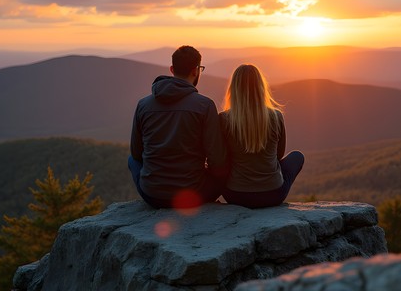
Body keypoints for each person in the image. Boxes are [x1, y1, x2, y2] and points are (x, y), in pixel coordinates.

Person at [128, 45, 229, 209]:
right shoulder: (205, 105)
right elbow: (217, 160)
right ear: (196, 71)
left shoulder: (143, 105)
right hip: (193, 194)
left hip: (152, 195)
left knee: (131, 160)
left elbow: (136, 153)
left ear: (172, 69)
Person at [219, 64, 304, 208]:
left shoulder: (224, 119)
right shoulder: (276, 116)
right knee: (297, 156)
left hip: (235, 195)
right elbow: (278, 155)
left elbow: (221, 157)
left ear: (234, 88)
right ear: (261, 87)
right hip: (273, 194)